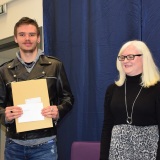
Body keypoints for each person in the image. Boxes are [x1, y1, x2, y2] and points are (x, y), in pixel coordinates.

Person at [0, 17, 74, 160]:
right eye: (22, 34)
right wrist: (5, 115)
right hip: (14, 145)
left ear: (38, 38)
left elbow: (68, 98)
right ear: (15, 38)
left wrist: (58, 110)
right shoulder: (4, 70)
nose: (27, 38)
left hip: (45, 144)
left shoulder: (55, 65)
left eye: (32, 34)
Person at [100, 40, 160, 160]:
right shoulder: (112, 90)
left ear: (144, 58)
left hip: (149, 154)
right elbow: (107, 127)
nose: (126, 61)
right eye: (122, 57)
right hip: (117, 155)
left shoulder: (157, 89)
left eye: (131, 57)